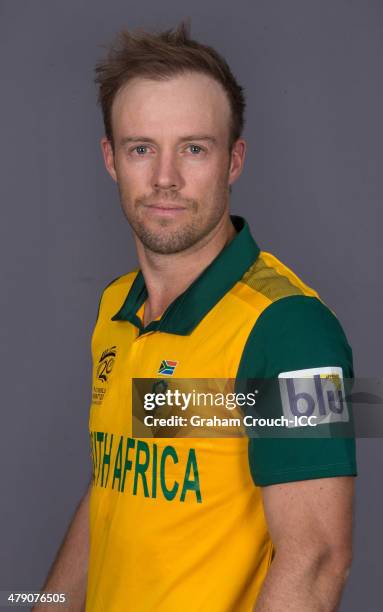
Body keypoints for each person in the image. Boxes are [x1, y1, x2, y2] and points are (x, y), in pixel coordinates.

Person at [37, 22, 357, 612]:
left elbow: (316, 562)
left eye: (193, 148)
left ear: (233, 160)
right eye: (141, 148)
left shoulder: (289, 329)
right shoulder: (115, 306)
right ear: (111, 159)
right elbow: (114, 485)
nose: (165, 178)